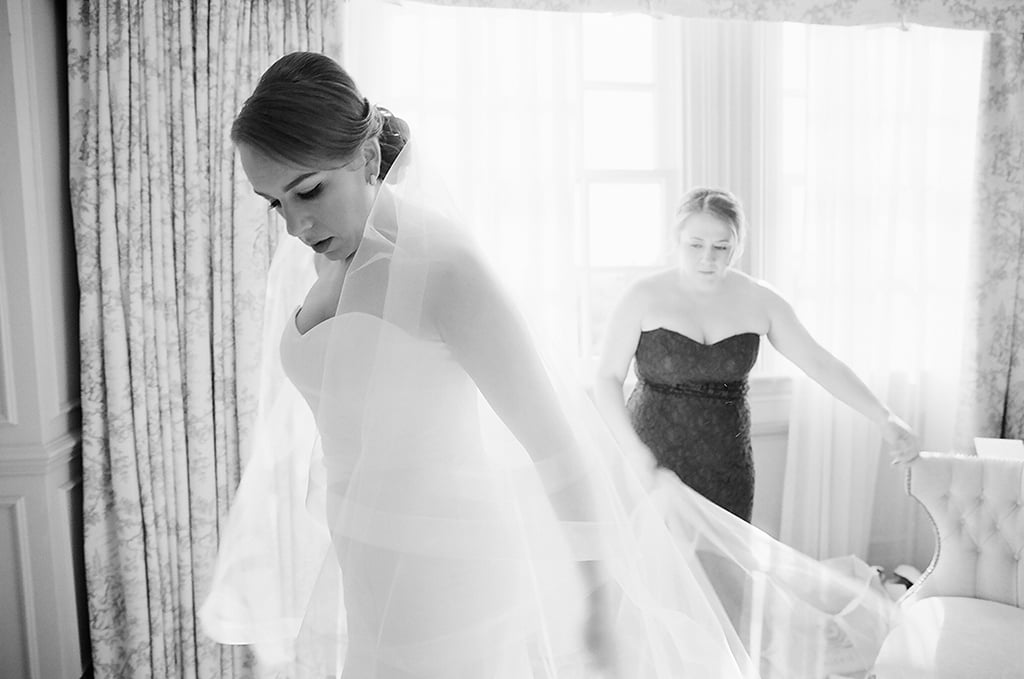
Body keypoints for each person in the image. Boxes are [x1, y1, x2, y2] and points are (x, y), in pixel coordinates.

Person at [201, 53, 900, 679]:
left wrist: (596, 599)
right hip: (366, 560)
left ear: (363, 157)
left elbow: (556, 443)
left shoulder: (443, 267)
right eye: (276, 204)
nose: (295, 224)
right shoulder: (319, 259)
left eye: (309, 190)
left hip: (448, 576)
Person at [593, 188, 919, 522]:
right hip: (649, 453)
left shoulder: (760, 300)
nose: (708, 258)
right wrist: (631, 448)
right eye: (696, 245)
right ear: (677, 239)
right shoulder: (642, 296)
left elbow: (820, 363)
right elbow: (607, 377)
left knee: (725, 570)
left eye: (722, 247)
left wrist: (884, 416)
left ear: (737, 245)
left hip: (725, 460)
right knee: (654, 566)